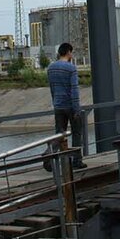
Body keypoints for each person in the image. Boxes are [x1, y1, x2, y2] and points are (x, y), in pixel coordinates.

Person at [45, 42, 87, 170]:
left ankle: (48, 157)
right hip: (70, 105)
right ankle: (76, 160)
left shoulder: (51, 68)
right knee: (76, 133)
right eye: (71, 52)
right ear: (69, 52)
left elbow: (52, 88)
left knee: (59, 134)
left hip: (58, 105)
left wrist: (55, 102)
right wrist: (76, 109)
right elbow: (74, 90)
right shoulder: (71, 68)